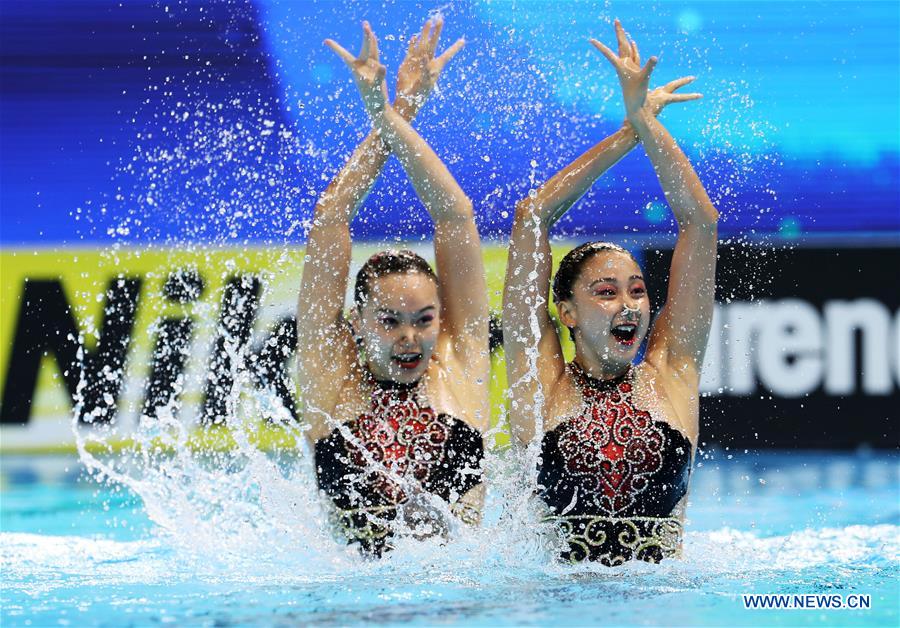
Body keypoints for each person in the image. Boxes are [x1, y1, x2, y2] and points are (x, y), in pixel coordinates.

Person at [502, 20, 717, 565]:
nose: (629, 305)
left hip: (661, 603)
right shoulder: (540, 378)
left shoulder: (672, 370)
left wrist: (648, 123)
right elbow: (533, 218)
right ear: (566, 312)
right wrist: (630, 132)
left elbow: (699, 222)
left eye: (639, 291)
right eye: (605, 292)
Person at [297, 18, 490, 557]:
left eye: (425, 319)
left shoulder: (461, 358)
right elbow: (331, 216)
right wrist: (390, 112)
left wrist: (396, 112)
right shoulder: (328, 365)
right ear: (358, 320)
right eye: (390, 321)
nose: (411, 338)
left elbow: (455, 217)